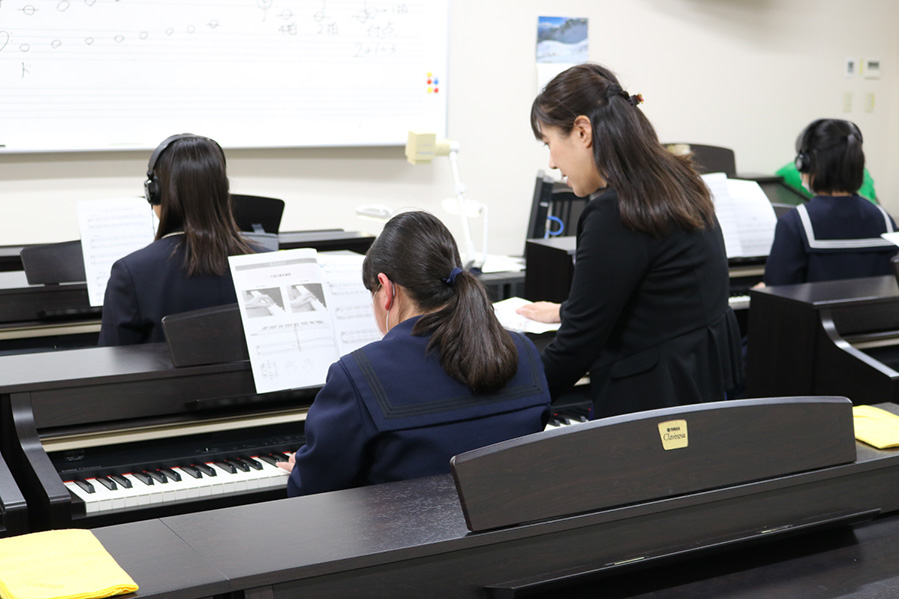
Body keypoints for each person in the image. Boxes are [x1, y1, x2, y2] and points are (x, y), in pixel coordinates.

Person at [516, 63, 742, 418]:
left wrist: (511, 405)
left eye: (549, 143)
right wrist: (566, 311)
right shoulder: (677, 181)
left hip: (650, 410)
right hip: (699, 395)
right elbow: (654, 299)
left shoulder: (614, 212)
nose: (552, 162)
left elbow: (577, 347)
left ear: (581, 131)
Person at [279, 211, 551, 497]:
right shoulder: (523, 351)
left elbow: (310, 493)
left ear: (386, 289)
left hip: (404, 541)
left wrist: (305, 466)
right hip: (509, 536)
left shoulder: (359, 374)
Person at [98, 134, 257, 345]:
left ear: (154, 192)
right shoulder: (262, 261)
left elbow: (112, 364)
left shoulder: (131, 273)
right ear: (222, 190)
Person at [764, 119, 897, 286]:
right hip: (874, 314)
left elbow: (778, 290)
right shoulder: (885, 220)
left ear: (805, 164)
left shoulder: (795, 224)